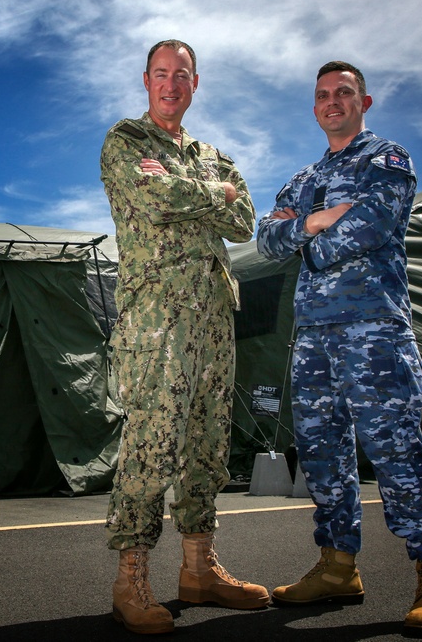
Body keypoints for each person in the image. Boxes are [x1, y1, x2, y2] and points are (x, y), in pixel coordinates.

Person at [256, 61, 422, 634]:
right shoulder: (301, 180)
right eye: (322, 95)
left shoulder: (386, 159)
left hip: (375, 330)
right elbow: (267, 238)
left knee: (396, 449)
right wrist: (317, 218)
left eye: (343, 92)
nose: (332, 101)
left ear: (363, 102)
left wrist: (312, 242)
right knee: (322, 454)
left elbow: (376, 222)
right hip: (313, 336)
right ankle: (338, 566)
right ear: (314, 106)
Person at [101, 39, 267, 635]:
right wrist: (210, 194)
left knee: (207, 445)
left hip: (214, 318)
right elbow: (154, 198)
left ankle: (199, 570)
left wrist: (205, 192)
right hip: (156, 319)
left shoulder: (211, 153)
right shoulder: (126, 141)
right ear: (146, 80)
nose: (172, 84)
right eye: (161, 74)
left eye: (183, 75)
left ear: (196, 84)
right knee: (152, 445)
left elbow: (244, 216)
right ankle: (131, 578)